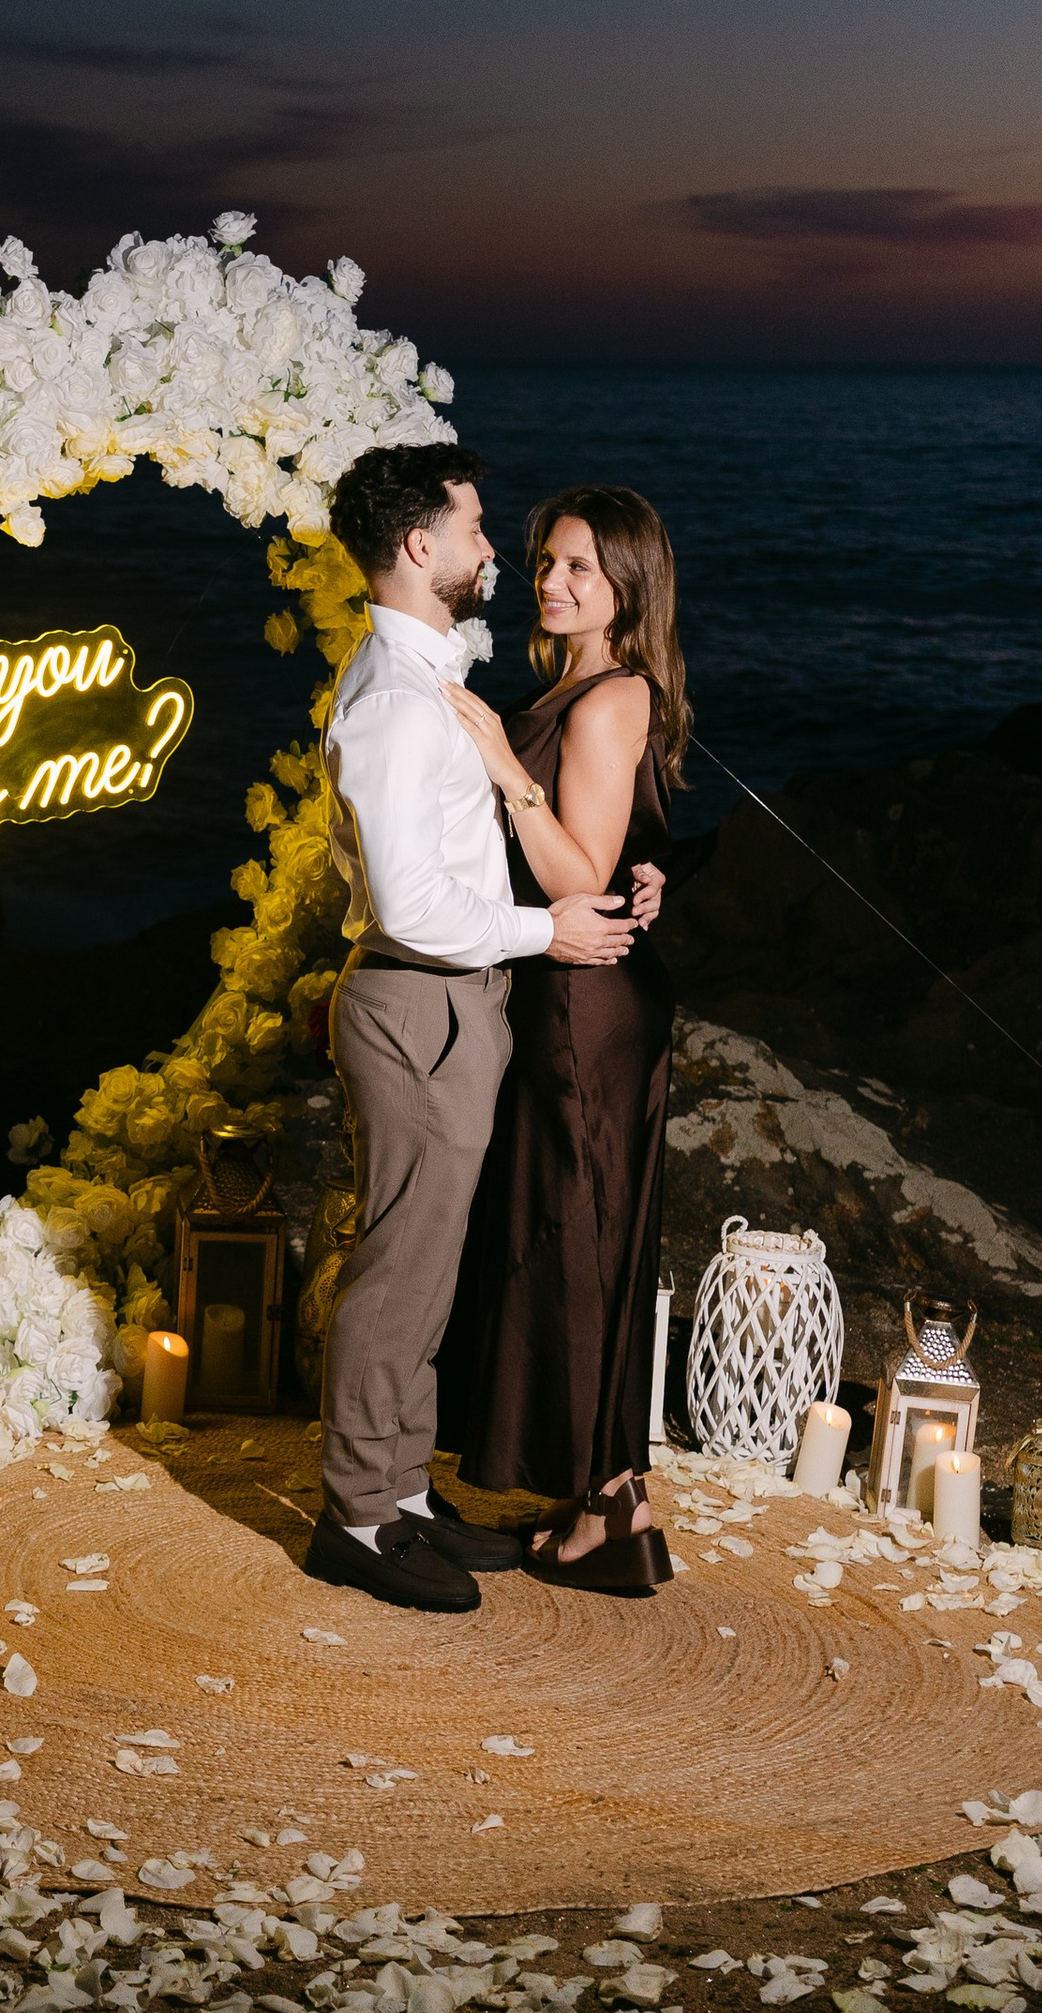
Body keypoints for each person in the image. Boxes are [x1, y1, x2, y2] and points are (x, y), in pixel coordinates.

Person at [306, 445, 665, 1614]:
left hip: (454, 997)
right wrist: (544, 932)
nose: (496, 558)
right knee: (399, 1272)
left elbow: (558, 822)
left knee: (428, 1267)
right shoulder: (401, 701)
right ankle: (358, 1518)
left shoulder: (425, 677)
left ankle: (403, 1493)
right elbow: (414, 904)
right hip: (421, 993)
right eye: (474, 531)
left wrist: (625, 878)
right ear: (420, 547)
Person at [440, 485, 689, 1596]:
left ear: (627, 586)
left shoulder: (596, 702)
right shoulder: (599, 688)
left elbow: (578, 883)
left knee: (574, 1237)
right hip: (591, 996)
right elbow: (624, 849)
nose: (550, 581)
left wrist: (501, 764)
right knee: (582, 1232)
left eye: (581, 567)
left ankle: (599, 1501)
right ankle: (614, 1500)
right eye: (547, 560)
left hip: (581, 1003)